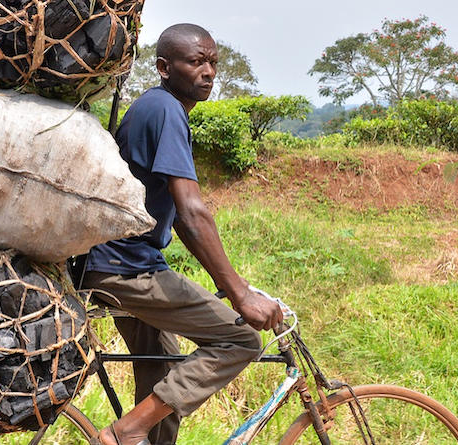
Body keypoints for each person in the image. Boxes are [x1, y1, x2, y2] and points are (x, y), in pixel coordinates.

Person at [74, 23, 283, 445]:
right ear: (165, 67)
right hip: (125, 269)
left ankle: (140, 432)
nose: (208, 72)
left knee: (164, 370)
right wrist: (240, 294)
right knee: (241, 339)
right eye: (196, 61)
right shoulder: (166, 111)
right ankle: (126, 430)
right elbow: (191, 213)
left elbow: (182, 223)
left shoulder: (156, 107)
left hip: (118, 262)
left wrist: (228, 282)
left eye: (213, 62)